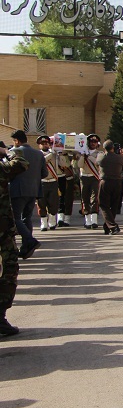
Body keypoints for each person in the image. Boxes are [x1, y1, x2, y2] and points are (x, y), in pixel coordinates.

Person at [0, 141, 29, 335]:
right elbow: (21, 163)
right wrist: (6, 151)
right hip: (2, 232)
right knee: (8, 270)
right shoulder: (2, 168)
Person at [9, 130, 46, 260]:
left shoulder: (14, 152)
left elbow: (8, 170)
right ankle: (26, 247)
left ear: (16, 141)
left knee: (15, 218)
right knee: (27, 218)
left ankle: (30, 240)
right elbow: (44, 173)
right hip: (34, 190)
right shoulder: (38, 154)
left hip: (18, 190)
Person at [97, 140, 123, 235]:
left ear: (104, 148)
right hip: (117, 182)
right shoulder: (119, 157)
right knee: (114, 205)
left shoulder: (101, 156)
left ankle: (113, 226)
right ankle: (108, 227)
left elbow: (97, 162)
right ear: (113, 148)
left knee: (104, 205)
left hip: (105, 182)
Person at [77, 133, 102, 229]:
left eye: (95, 141)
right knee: (85, 198)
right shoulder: (82, 153)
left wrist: (88, 156)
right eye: (91, 141)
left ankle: (94, 221)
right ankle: (87, 221)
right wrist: (83, 155)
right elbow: (79, 165)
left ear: (97, 143)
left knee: (94, 198)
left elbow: (97, 162)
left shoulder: (99, 153)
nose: (93, 143)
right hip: (84, 177)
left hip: (94, 177)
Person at [37, 136, 60, 231]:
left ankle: (52, 222)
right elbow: (42, 161)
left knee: (53, 203)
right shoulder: (38, 154)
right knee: (41, 203)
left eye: (46, 143)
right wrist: (52, 154)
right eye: (42, 144)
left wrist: (62, 154)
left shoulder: (54, 154)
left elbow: (63, 165)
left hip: (53, 181)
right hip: (42, 182)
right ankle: (43, 223)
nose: (45, 145)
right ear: (39, 145)